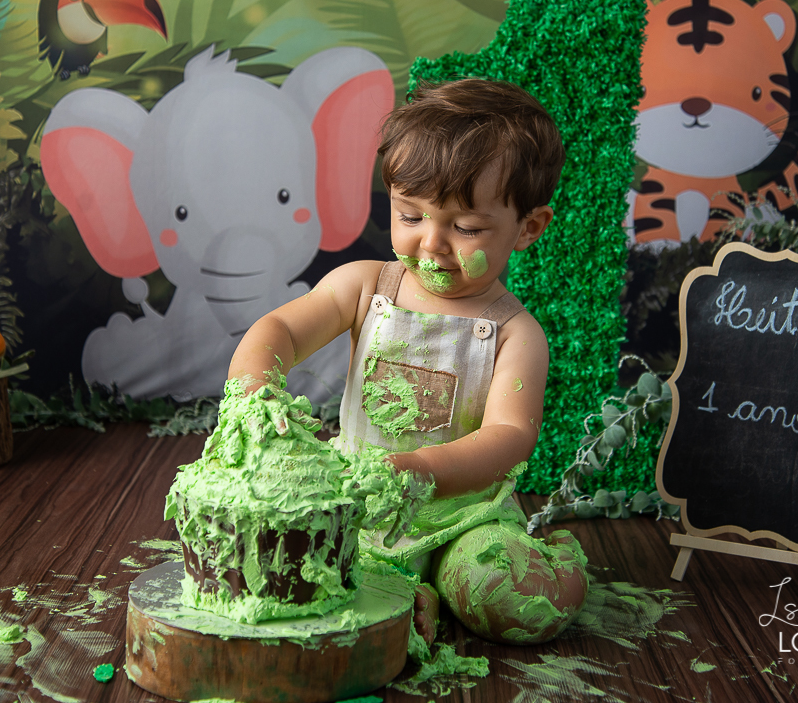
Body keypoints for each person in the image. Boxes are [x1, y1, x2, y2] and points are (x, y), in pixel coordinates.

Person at [228, 78, 588, 645]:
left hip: (461, 517)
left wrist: (419, 470)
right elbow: (281, 331)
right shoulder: (365, 287)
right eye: (411, 216)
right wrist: (254, 391)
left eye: (466, 227)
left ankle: (537, 566)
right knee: (295, 565)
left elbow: (510, 437)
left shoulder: (516, 335)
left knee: (504, 592)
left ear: (528, 227)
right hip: (359, 508)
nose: (431, 243)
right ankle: (409, 593)